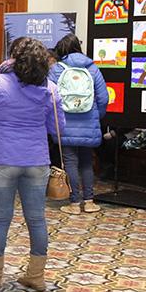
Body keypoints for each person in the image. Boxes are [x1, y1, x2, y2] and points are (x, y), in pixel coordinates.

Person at [0, 37, 64, 291]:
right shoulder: (50, 88)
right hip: (36, 161)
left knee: (0, 219)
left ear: (14, 58)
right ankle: (36, 276)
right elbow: (59, 128)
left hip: (2, 160)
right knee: (37, 219)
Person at [48, 34, 108, 214]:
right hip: (89, 121)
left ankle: (74, 203)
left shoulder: (57, 69)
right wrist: (97, 115)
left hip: (65, 123)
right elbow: (103, 97)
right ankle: (89, 201)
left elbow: (49, 96)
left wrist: (54, 120)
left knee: (70, 162)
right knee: (87, 162)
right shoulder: (92, 68)